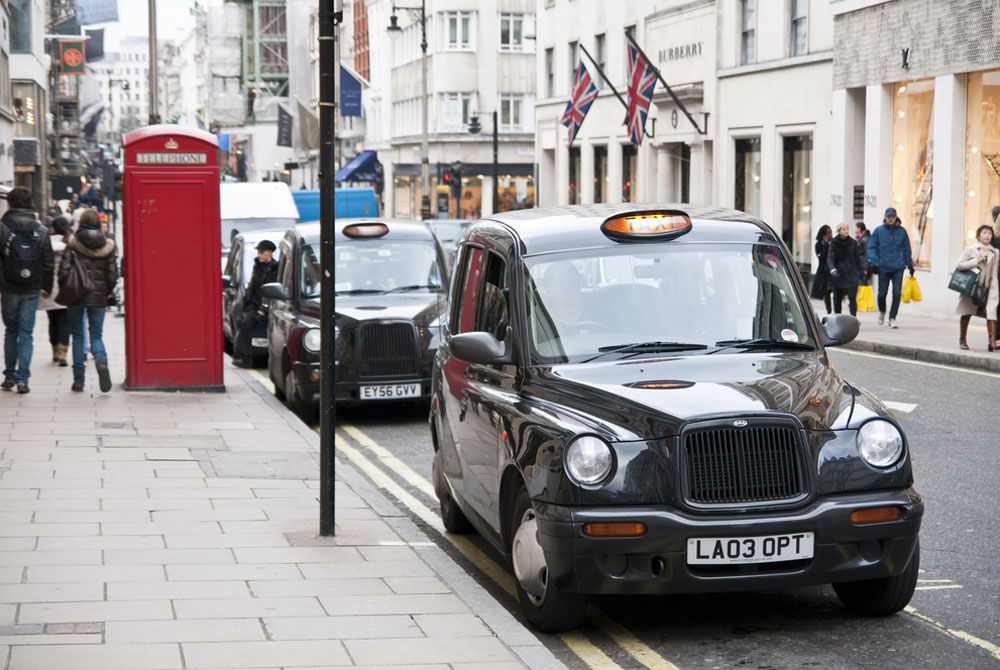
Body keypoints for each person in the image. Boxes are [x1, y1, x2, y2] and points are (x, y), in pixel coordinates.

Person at [0, 187, 54, 394]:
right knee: (26, 333)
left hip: (8, 287)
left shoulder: (3, 227)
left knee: (11, 331)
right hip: (32, 287)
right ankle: (23, 379)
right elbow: (48, 262)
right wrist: (46, 288)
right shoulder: (40, 229)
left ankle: (9, 377)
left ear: (11, 203)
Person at [60, 208, 118, 392]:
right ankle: (101, 362)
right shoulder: (108, 245)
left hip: (76, 295)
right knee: (96, 335)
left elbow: (63, 271)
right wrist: (107, 291)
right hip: (98, 296)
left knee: (77, 336)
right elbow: (113, 274)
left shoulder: (73, 243)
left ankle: (78, 380)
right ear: (97, 223)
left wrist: (67, 288)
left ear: (82, 222)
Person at [232, 239, 278, 368]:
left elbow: (270, 291)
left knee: (248, 325)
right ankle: (243, 357)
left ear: (269, 253)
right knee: (244, 324)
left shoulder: (275, 269)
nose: (258, 255)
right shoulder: (257, 266)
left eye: (261, 252)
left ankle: (244, 357)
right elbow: (253, 286)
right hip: (254, 304)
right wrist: (245, 302)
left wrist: (264, 308)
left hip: (264, 306)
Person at [867, 207, 914, 329]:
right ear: (885, 217)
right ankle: (882, 311)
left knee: (897, 293)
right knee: (882, 294)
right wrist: (875, 262)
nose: (891, 218)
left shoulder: (902, 231)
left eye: (893, 216)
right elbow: (871, 247)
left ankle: (892, 318)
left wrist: (909, 264)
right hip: (883, 267)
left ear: (896, 217)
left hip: (898, 267)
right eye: (889, 216)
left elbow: (906, 249)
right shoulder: (878, 231)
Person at [954, 225, 998, 351]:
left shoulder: (995, 252)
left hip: (989, 287)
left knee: (991, 313)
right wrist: (975, 261)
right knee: (967, 312)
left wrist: (994, 290)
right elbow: (959, 266)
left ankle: (992, 341)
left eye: (989, 233)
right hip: (972, 287)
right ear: (979, 236)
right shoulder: (970, 249)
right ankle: (962, 339)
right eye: (984, 233)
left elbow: (994, 273)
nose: (987, 235)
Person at [39, 217, 71, 367]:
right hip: (65, 286)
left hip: (48, 287)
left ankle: (55, 352)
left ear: (53, 228)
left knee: (53, 320)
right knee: (64, 319)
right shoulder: (70, 242)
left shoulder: (45, 242)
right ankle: (63, 352)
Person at [828, 223, 863, 316]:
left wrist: (862, 272)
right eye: (843, 229)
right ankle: (838, 317)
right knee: (837, 298)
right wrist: (832, 269)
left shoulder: (853, 242)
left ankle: (853, 318)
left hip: (851, 273)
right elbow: (830, 257)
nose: (846, 231)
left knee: (852, 297)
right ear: (839, 231)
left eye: (847, 229)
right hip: (838, 274)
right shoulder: (834, 242)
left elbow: (857, 258)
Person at [810, 226, 833, 314]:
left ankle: (834, 309)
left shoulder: (833, 242)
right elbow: (822, 257)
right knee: (826, 292)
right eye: (828, 233)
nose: (830, 235)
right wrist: (826, 245)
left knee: (835, 291)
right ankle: (829, 310)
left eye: (830, 233)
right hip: (823, 270)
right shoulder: (819, 244)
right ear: (823, 235)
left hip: (832, 270)